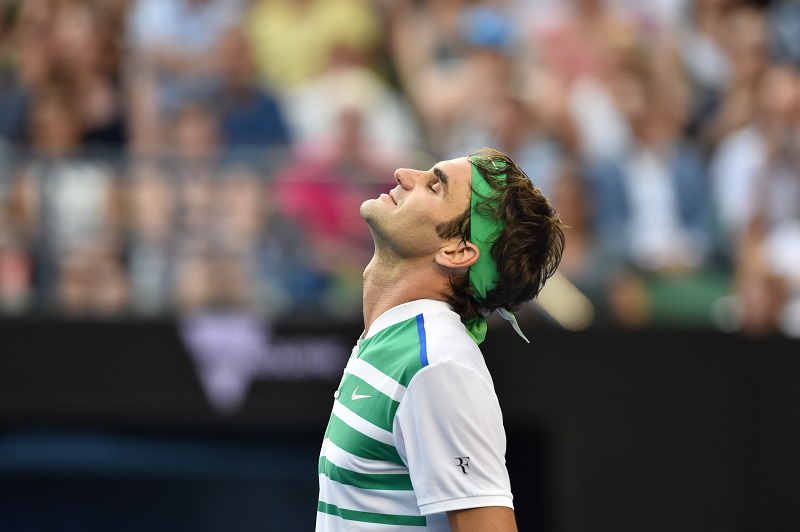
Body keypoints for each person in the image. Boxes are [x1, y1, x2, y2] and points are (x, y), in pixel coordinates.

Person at [316, 147, 565, 531]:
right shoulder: (399, 341)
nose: (403, 173)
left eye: (434, 186)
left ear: (458, 250)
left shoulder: (437, 364)